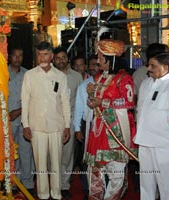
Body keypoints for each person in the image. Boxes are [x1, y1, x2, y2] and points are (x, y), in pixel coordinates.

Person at [85, 39, 137, 200]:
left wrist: (103, 102)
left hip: (115, 133)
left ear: (110, 59)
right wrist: (91, 98)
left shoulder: (124, 78)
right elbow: (96, 102)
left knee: (116, 175)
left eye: (101, 58)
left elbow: (129, 103)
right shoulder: (100, 77)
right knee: (94, 173)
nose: (97, 61)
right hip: (98, 132)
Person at [21, 41, 71, 200]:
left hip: (57, 126)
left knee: (56, 163)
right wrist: (26, 125)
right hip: (36, 126)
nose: (42, 57)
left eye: (45, 54)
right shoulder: (29, 75)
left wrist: (67, 126)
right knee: (40, 164)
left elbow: (65, 103)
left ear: (51, 56)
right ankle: (42, 195)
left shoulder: (60, 76)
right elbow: (25, 101)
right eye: (39, 54)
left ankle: (56, 194)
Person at [134, 46, 169, 200]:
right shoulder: (145, 84)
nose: (148, 69)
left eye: (153, 66)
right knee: (146, 184)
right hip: (144, 141)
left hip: (164, 144)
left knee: (167, 185)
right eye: (148, 65)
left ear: (164, 67)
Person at [52, 46, 82, 199]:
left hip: (68, 121)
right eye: (58, 58)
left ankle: (64, 186)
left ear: (67, 59)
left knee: (67, 155)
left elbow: (80, 101)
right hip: (52, 120)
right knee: (52, 155)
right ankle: (53, 185)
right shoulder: (49, 76)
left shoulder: (76, 77)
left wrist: (77, 125)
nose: (61, 60)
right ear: (53, 60)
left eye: (63, 57)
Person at [8, 47, 35, 194]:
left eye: (21, 55)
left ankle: (28, 183)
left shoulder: (28, 74)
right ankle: (13, 182)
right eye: (15, 55)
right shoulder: (2, 72)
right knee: (12, 152)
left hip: (25, 119)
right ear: (9, 57)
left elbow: (33, 98)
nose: (18, 58)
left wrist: (19, 111)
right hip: (8, 120)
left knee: (26, 152)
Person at [73, 54, 100, 200]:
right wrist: (77, 129)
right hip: (88, 125)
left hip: (104, 126)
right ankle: (86, 189)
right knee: (86, 160)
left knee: (102, 159)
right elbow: (78, 109)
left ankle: (103, 189)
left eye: (96, 64)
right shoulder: (84, 85)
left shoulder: (109, 83)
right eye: (91, 65)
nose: (93, 67)